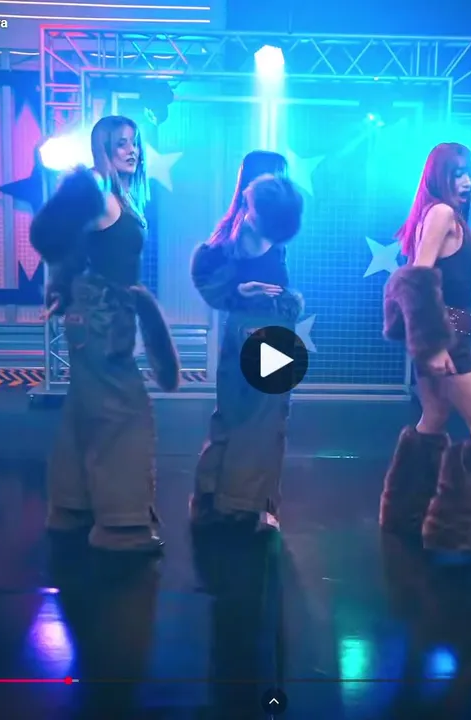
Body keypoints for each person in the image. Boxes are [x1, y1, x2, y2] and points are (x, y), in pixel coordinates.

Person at [30, 115, 181, 553]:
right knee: (125, 413)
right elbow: (50, 234)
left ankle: (71, 508)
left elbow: (78, 249)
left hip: (99, 317)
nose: (131, 151)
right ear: (103, 149)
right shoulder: (98, 187)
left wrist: (65, 287)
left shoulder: (121, 195)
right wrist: (65, 287)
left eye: (134, 143)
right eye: (120, 144)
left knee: (86, 407)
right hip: (101, 320)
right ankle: (121, 525)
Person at [379, 142, 471, 560]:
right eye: (457, 174)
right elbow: (416, 278)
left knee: (433, 418)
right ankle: (457, 533)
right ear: (438, 177)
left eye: (469, 174)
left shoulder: (446, 214)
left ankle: (404, 514)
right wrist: (433, 345)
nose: (466, 182)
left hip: (445, 334)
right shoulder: (442, 213)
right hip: (445, 338)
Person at [189, 151, 305, 531]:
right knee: (264, 420)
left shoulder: (235, 228)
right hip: (266, 332)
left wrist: (238, 292)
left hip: (242, 329)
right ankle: (244, 507)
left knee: (232, 415)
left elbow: (212, 272)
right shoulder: (257, 227)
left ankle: (212, 498)